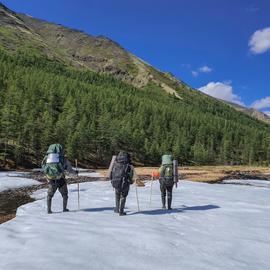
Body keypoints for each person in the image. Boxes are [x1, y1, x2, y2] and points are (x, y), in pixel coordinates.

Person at [42, 143, 78, 214]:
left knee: (49, 195)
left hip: (51, 180)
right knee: (65, 195)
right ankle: (64, 209)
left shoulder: (46, 158)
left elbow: (43, 167)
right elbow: (70, 170)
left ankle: (49, 210)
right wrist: (75, 173)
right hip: (61, 180)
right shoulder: (63, 159)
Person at [109, 151, 134, 216]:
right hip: (125, 183)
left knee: (117, 195)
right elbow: (131, 175)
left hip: (116, 183)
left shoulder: (116, 164)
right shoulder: (128, 165)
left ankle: (117, 209)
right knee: (123, 196)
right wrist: (131, 181)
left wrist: (112, 180)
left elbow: (111, 173)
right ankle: (121, 211)